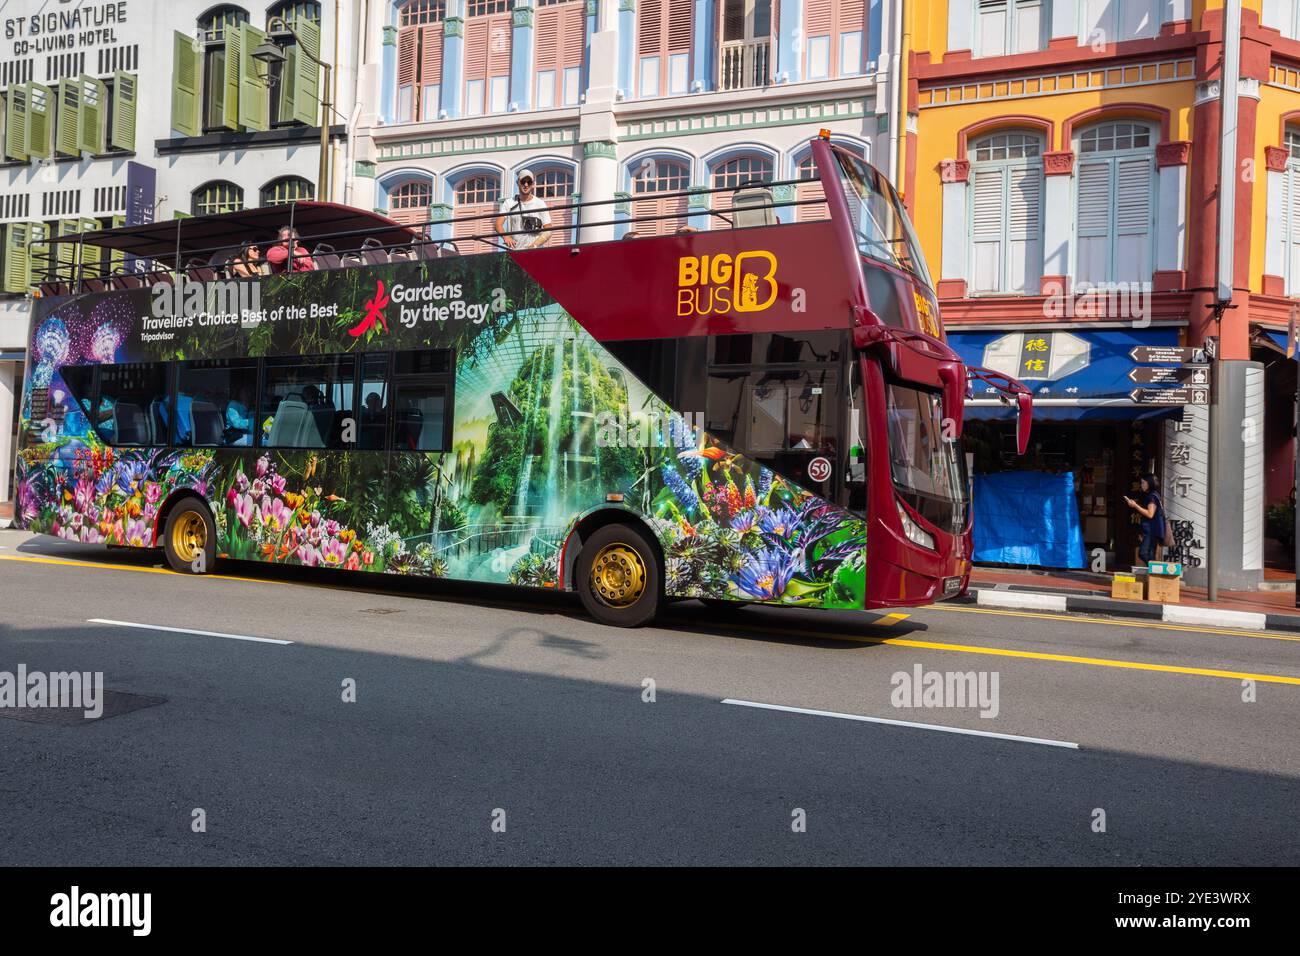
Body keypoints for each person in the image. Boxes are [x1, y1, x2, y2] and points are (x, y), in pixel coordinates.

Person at [494, 168, 552, 250]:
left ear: (532, 184)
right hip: (516, 251)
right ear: (517, 183)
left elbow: (548, 229)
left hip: (535, 252)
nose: (526, 184)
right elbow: (498, 224)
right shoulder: (509, 203)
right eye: (523, 181)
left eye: (529, 182)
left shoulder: (540, 204)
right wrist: (506, 237)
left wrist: (534, 245)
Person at [1124, 473, 1166, 564]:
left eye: (1143, 483)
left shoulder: (1152, 496)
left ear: (1149, 483)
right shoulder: (1153, 495)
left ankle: (1156, 570)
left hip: (1152, 531)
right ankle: (1153, 573)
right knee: (1149, 555)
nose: (1141, 485)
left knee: (1143, 553)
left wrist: (1135, 506)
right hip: (1152, 531)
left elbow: (1150, 514)